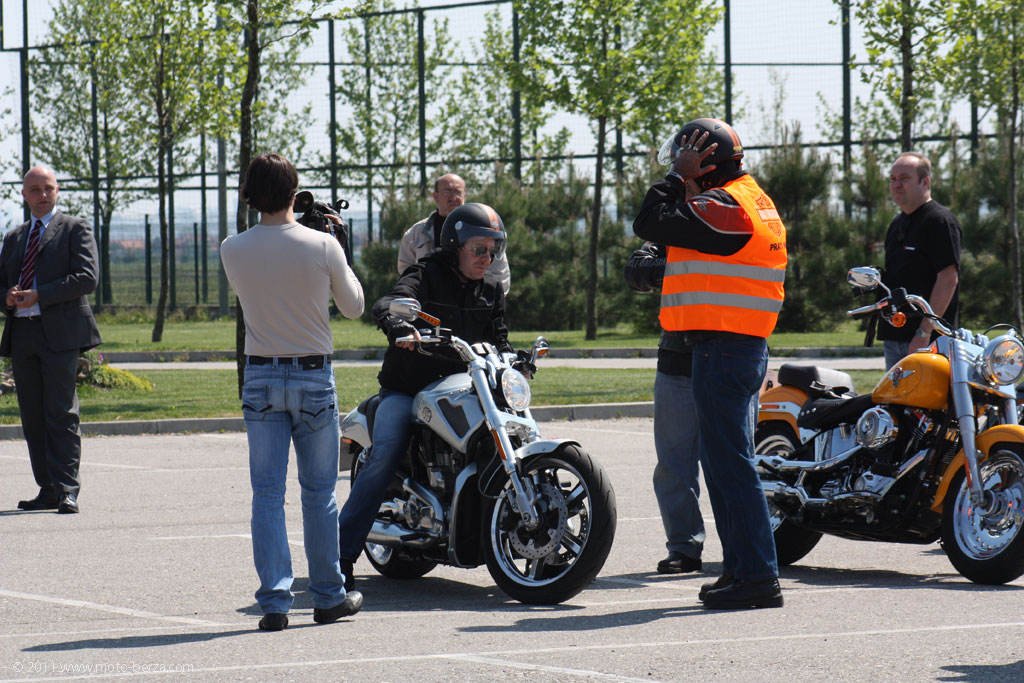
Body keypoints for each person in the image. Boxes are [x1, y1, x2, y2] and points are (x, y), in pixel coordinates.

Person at [633, 118, 787, 610]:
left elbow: (649, 219)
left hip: (725, 348)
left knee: (731, 467)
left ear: (704, 162)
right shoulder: (749, 199)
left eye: (686, 157)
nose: (681, 169)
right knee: (725, 466)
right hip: (732, 346)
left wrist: (676, 177)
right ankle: (741, 572)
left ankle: (758, 577)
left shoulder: (725, 204)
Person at [220, 153, 365, 632]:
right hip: (312, 376)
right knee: (320, 493)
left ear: (250, 193)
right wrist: (339, 246)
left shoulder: (231, 248)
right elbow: (353, 307)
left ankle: (275, 603)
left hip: (260, 375)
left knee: (267, 494)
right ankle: (327, 597)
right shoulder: (322, 244)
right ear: (293, 191)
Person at [339, 202, 512, 590]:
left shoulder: (491, 291)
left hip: (464, 389)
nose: (487, 258)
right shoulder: (427, 274)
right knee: (384, 454)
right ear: (455, 245)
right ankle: (340, 558)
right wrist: (396, 322)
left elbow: (500, 339)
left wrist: (517, 360)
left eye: (494, 250)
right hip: (408, 389)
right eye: (479, 249)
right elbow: (390, 301)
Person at [0, 166, 102, 515]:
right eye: (35, 189)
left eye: (49, 188)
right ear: (24, 195)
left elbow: (86, 278)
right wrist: (10, 297)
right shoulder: (14, 237)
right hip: (23, 334)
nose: (43, 195)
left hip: (60, 335)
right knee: (32, 415)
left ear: (57, 191)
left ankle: (67, 489)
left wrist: (39, 295)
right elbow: (1, 285)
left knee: (61, 412)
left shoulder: (75, 228)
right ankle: (46, 487)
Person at [624, 182, 706, 576]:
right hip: (675, 359)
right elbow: (636, 270)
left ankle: (745, 551)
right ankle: (684, 549)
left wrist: (679, 269)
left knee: (731, 465)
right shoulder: (672, 228)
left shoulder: (725, 220)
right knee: (673, 466)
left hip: (725, 358)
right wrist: (679, 267)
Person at [878, 152, 962, 370]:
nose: (896, 184)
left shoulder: (939, 221)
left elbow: (948, 279)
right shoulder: (897, 223)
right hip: (895, 337)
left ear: (925, 182)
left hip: (928, 341)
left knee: (931, 403)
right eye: (893, 179)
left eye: (904, 178)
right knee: (895, 403)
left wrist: (924, 332)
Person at [397, 173, 511, 295]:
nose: (453, 197)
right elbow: (406, 272)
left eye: (458, 192)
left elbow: (500, 275)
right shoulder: (416, 233)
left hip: (472, 306)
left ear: (464, 195)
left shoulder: (486, 230)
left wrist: (484, 304)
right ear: (435, 196)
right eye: (447, 191)